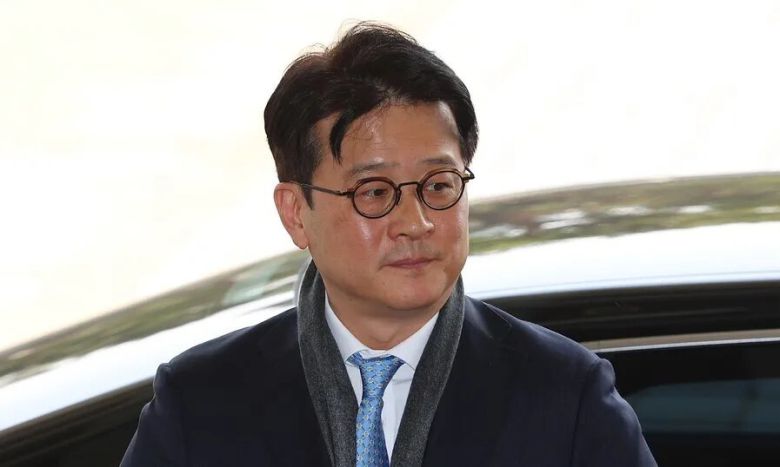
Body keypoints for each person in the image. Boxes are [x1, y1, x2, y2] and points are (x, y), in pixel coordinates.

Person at [121, 22, 656, 467]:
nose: (416, 222)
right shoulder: (202, 402)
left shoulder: (565, 397)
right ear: (296, 213)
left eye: (439, 186)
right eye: (375, 192)